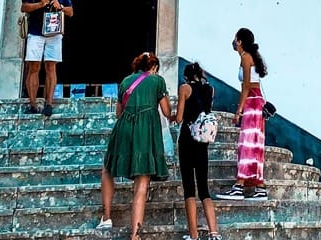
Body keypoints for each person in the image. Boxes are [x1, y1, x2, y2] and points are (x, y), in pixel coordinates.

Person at [99, 52, 172, 239]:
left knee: (108, 168)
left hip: (124, 127)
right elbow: (166, 111)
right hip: (145, 131)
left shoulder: (125, 82)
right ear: (154, 67)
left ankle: (106, 216)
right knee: (141, 183)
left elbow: (118, 113)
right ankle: (135, 234)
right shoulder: (158, 81)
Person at [19, 0, 74, 117]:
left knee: (51, 67)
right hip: (36, 32)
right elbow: (24, 7)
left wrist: (61, 7)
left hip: (55, 33)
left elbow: (71, 12)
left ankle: (49, 103)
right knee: (33, 67)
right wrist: (40, 4)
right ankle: (33, 104)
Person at [175, 61, 222, 240]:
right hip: (203, 141)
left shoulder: (185, 88)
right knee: (204, 189)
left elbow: (179, 118)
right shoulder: (210, 89)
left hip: (187, 139)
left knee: (189, 188)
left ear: (186, 76)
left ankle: (193, 235)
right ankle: (214, 232)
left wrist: (172, 116)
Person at [220, 28, 268, 200]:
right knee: (254, 144)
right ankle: (259, 186)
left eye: (235, 39)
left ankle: (240, 185)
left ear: (239, 41)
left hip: (252, 102)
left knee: (247, 143)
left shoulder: (245, 57)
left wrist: (239, 110)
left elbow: (246, 86)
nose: (234, 42)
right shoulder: (250, 57)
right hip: (257, 102)